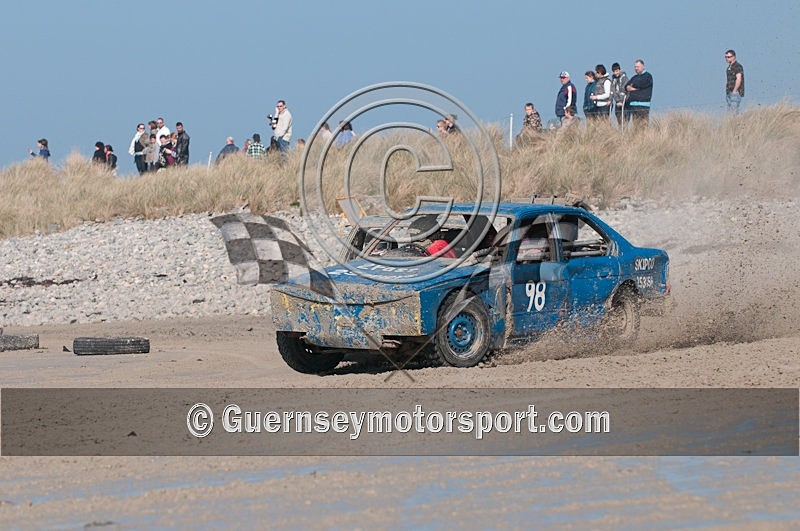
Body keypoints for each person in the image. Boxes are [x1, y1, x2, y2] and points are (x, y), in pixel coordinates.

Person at [625, 59, 653, 126]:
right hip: (633, 105)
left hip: (643, 105)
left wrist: (633, 87)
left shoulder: (648, 76)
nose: (636, 68)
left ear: (643, 66)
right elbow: (626, 86)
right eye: (635, 67)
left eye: (638, 66)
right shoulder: (634, 77)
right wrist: (633, 88)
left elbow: (641, 84)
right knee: (636, 126)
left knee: (643, 126)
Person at [725, 49, 745, 114]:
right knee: (730, 112)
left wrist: (735, 90)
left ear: (734, 57)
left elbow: (739, 79)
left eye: (729, 57)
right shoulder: (728, 68)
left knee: (733, 112)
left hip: (735, 92)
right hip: (729, 92)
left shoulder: (738, 66)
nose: (727, 59)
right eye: (726, 57)